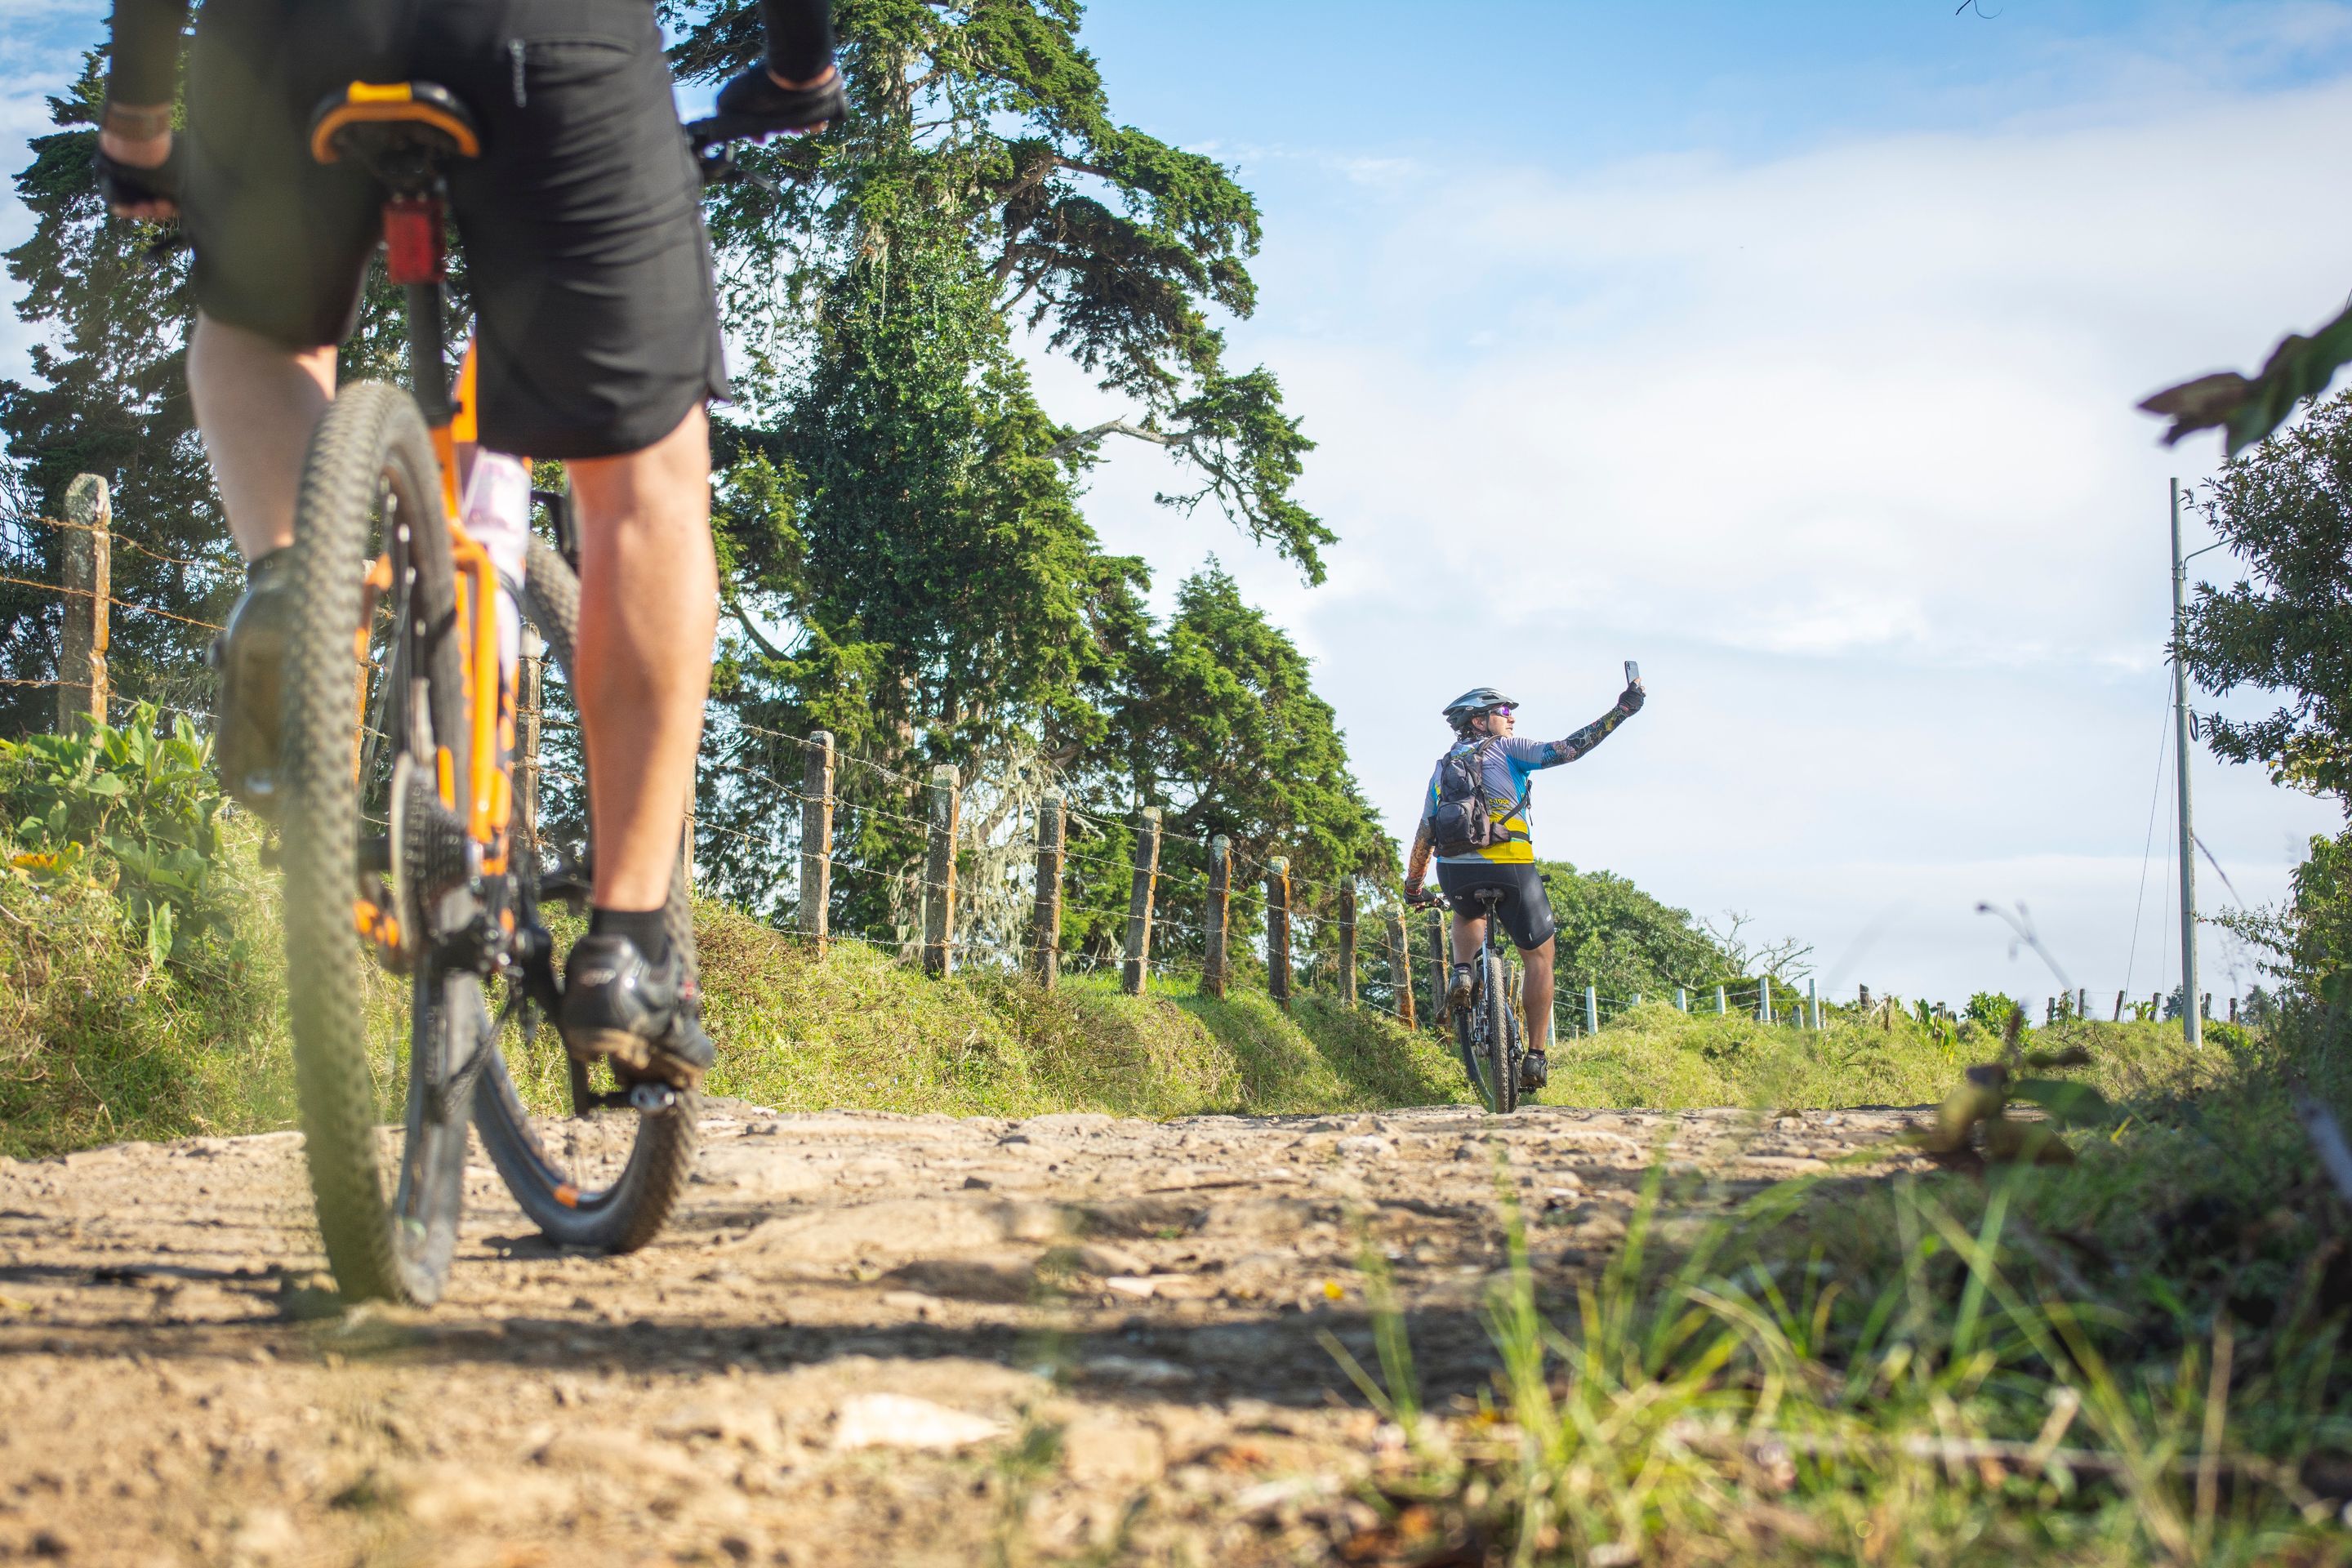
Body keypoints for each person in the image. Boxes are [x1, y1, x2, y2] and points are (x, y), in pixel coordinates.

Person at [93, 0, 843, 1088]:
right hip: (547, 38)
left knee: (255, 335)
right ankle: (629, 954)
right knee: (643, 481)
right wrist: (797, 70)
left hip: (293, 37)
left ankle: (297, 592)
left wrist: (138, 122)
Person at [1402, 679, 1645, 1091]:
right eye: (1504, 713)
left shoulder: (1442, 767)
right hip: (1510, 865)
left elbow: (1425, 832)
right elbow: (1569, 749)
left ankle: (1462, 972)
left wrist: (1413, 886)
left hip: (1454, 871)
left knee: (1465, 910)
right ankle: (1535, 1057)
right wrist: (1622, 711)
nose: (1511, 719)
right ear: (1480, 721)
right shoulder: (1507, 749)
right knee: (1539, 955)